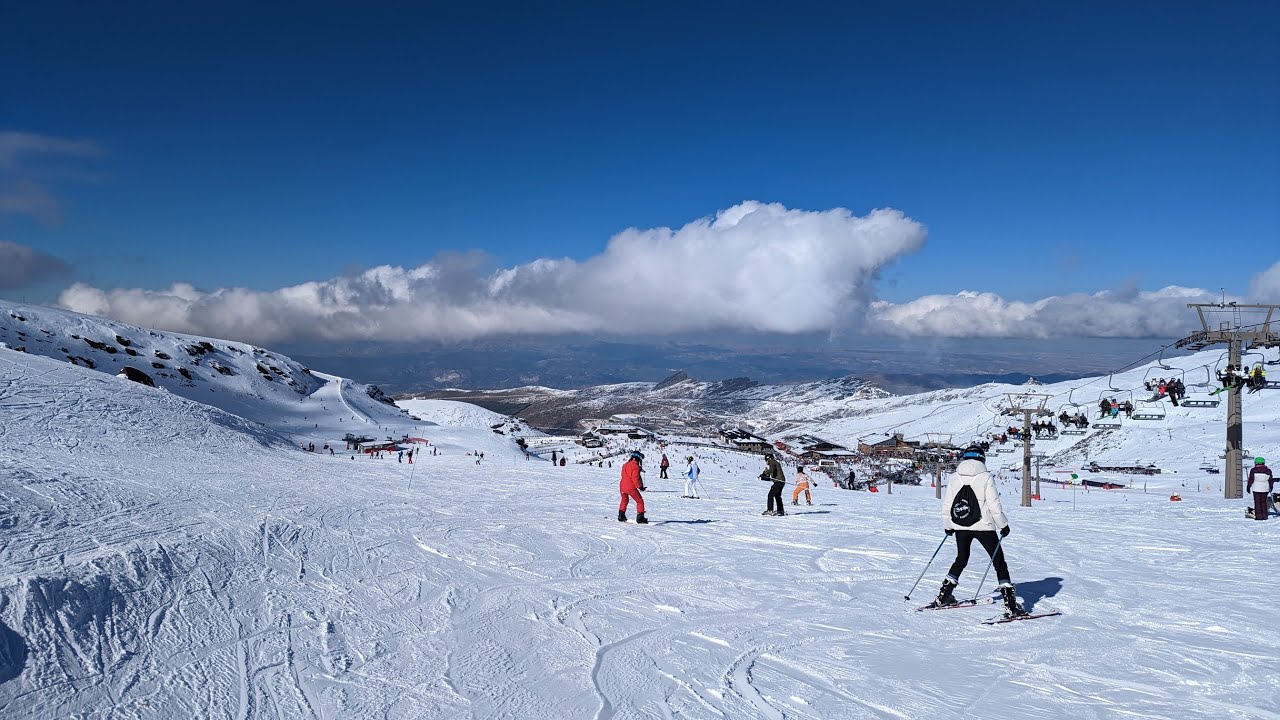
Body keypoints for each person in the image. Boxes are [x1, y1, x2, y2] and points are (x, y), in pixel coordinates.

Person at [931, 445, 1027, 617]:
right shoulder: (985, 477)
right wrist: (1003, 525)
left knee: (961, 559)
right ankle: (1010, 604)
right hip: (984, 526)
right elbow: (993, 504)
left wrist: (948, 524)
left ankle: (944, 595)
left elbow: (948, 503)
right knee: (998, 561)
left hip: (961, 525)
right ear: (982, 459)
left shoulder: (954, 477)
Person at [618, 450, 648, 523]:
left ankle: (621, 515)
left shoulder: (625, 464)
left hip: (622, 486)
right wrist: (640, 487)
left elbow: (625, 473)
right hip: (630, 487)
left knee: (624, 500)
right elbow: (635, 478)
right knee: (639, 501)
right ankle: (640, 518)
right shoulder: (635, 466)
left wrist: (638, 469)